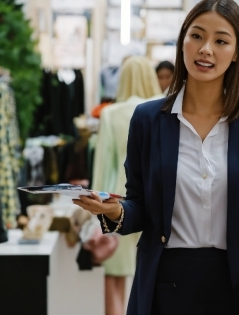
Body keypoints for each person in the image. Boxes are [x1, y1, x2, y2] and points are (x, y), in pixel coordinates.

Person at [73, 0, 239, 315]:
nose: (206, 48)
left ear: (236, 53)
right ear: (182, 43)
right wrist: (112, 210)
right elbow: (140, 205)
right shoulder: (148, 120)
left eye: (221, 40)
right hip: (166, 283)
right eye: (197, 35)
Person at [91, 56, 163, 315]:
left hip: (117, 202)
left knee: (115, 279)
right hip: (155, 201)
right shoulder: (162, 112)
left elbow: (102, 165)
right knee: (154, 277)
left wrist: (96, 210)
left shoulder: (110, 114)